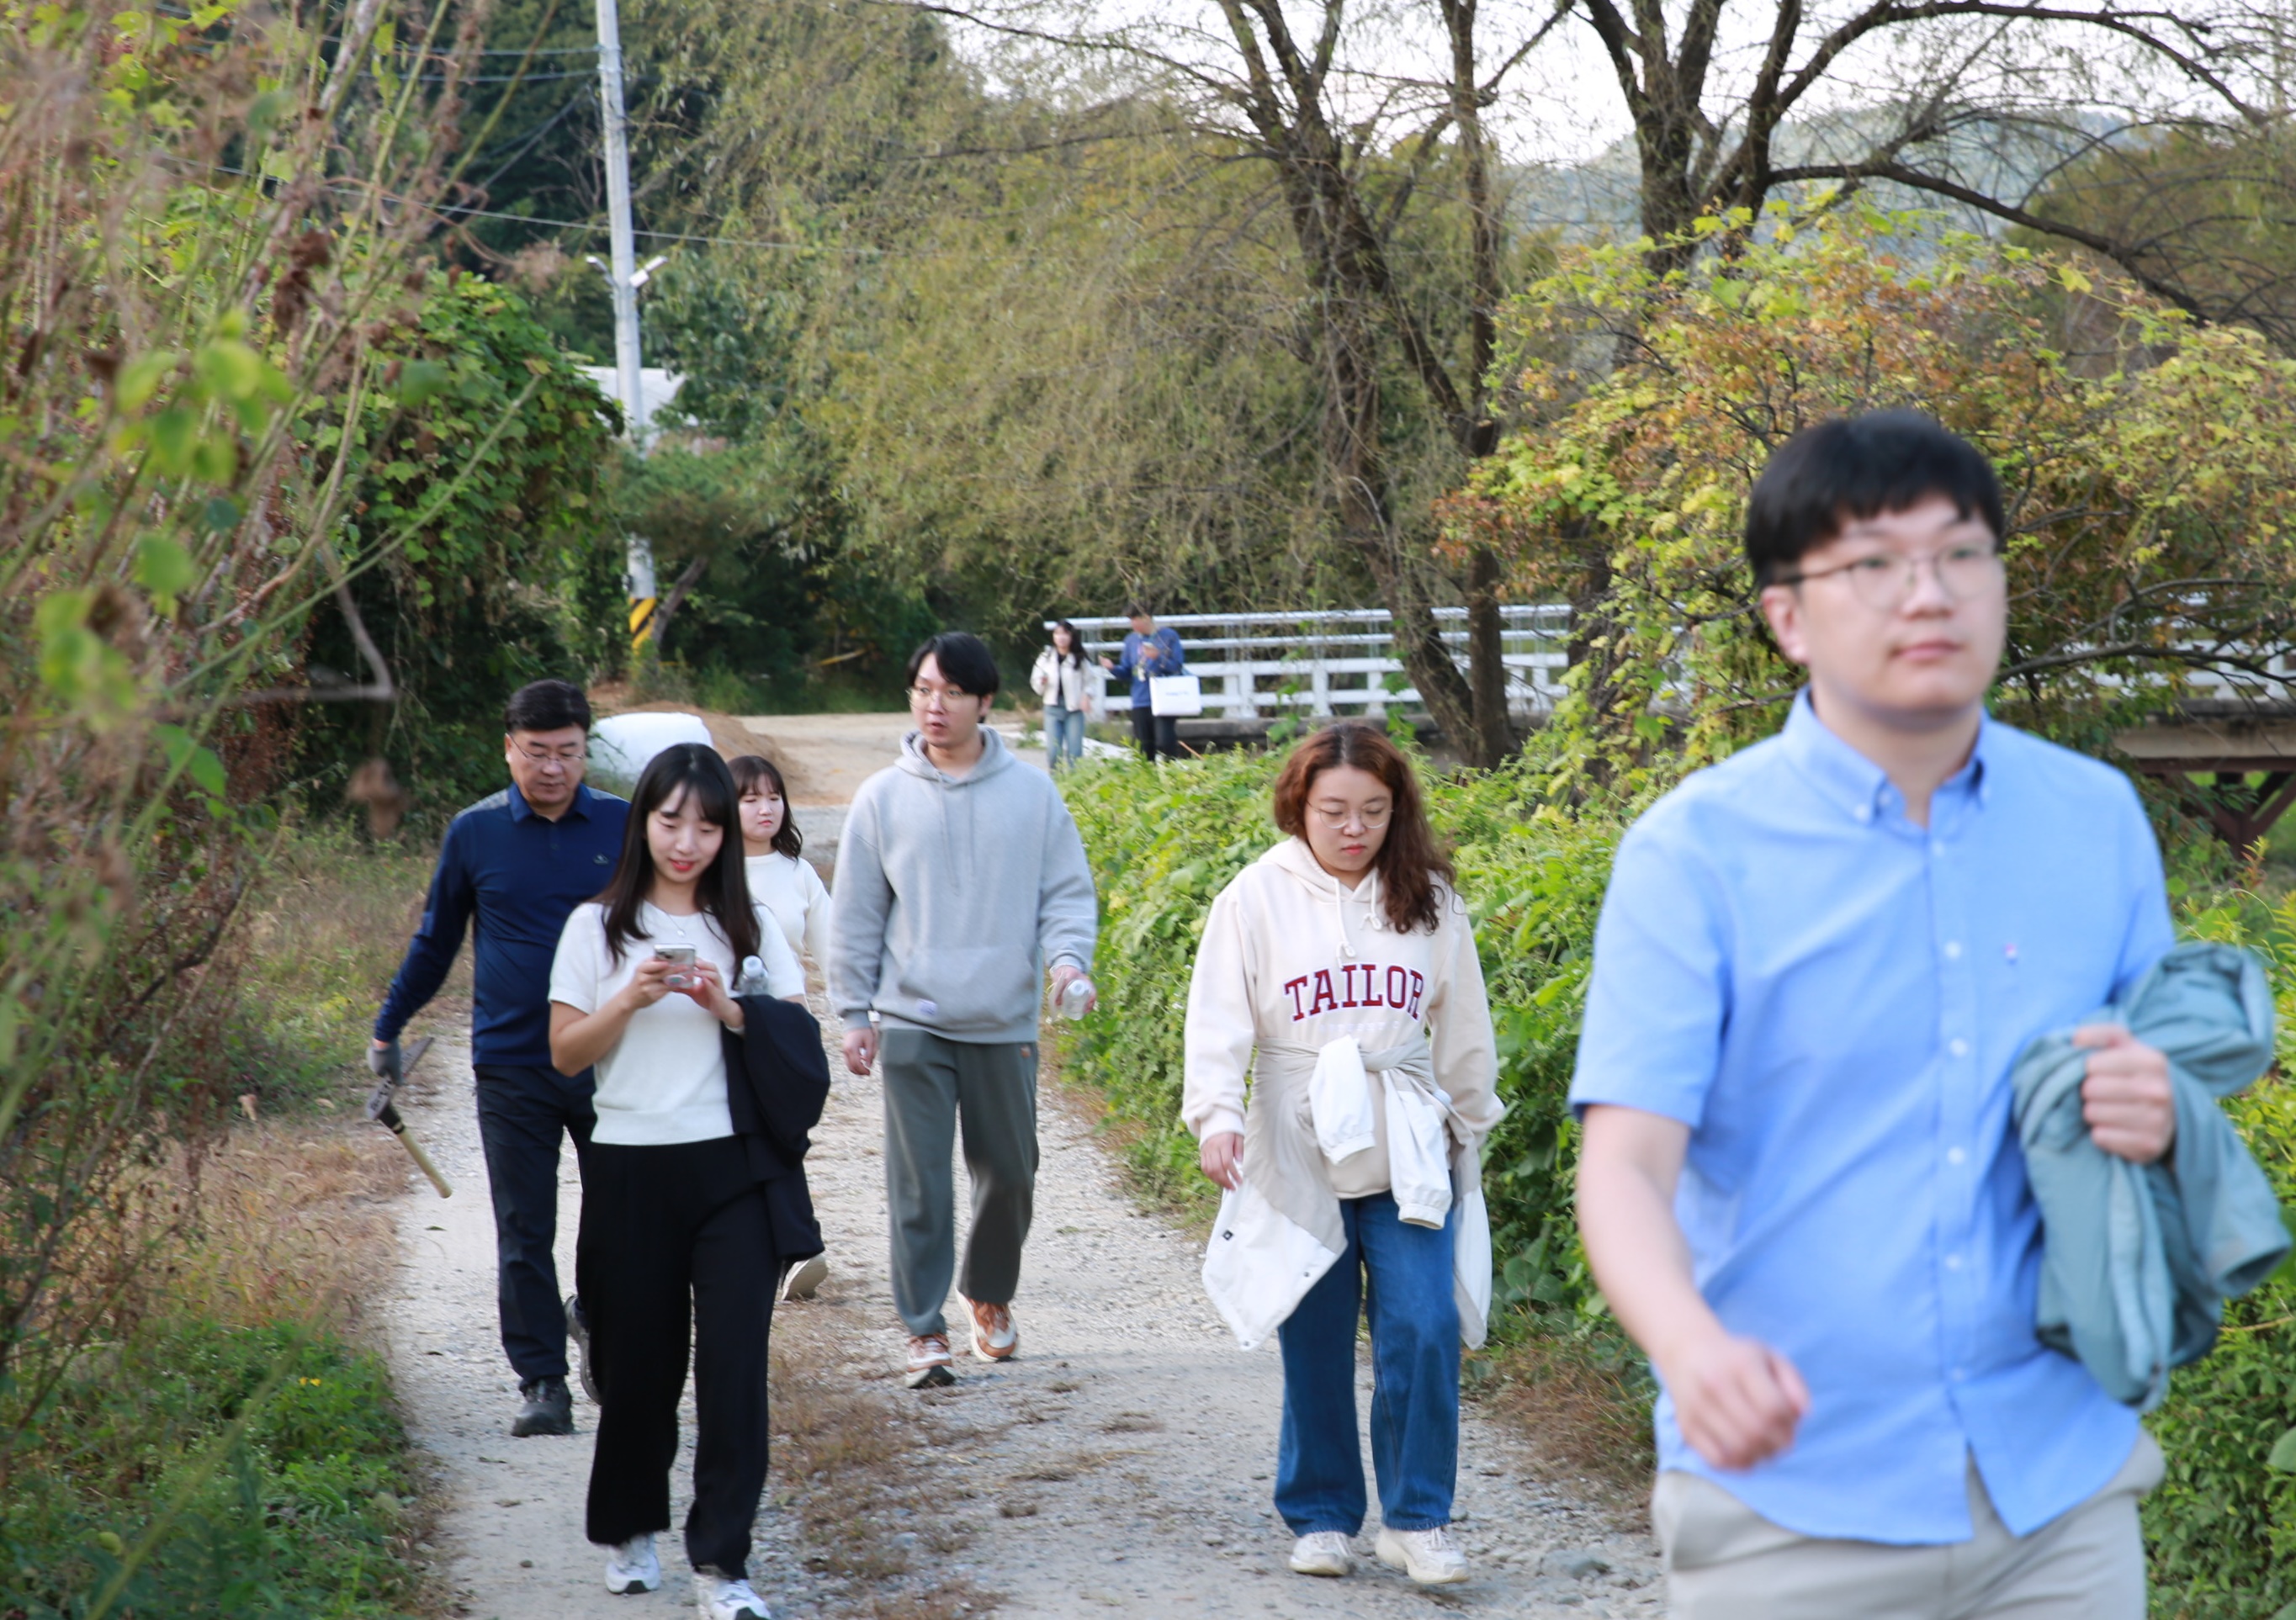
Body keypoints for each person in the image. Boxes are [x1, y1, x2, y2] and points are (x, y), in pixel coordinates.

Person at [1572, 411, 2179, 1619]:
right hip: (1788, 1505)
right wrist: (1690, 1350)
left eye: (1962, 553)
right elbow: (1625, 1168)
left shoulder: (2096, 818)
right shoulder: (1693, 854)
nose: (1929, 594)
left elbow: (2156, 1082)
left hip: (2057, 1484)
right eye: (1873, 564)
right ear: (1786, 615)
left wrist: (2161, 1105)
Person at [1182, 720, 1503, 1587]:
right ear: (1300, 806)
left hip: (1403, 1139)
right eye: (1334, 810)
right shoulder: (1254, 897)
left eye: (1371, 810)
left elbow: (1463, 1025)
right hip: (1296, 1141)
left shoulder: (1428, 896)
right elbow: (1217, 1021)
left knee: (1423, 1327)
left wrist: (1466, 1124)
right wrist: (1215, 1117)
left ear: (1395, 811)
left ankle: (1417, 1518)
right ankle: (1322, 1515)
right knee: (1314, 1335)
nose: (1353, 828)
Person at [547, 744, 804, 1617]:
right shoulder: (596, 927)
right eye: (670, 821)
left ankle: (723, 1567)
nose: (686, 840)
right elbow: (564, 1052)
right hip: (628, 1167)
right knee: (638, 1365)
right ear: (642, 823)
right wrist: (629, 997)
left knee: (733, 1370)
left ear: (726, 832)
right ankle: (630, 1527)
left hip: (732, 1170)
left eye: (706, 824)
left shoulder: (750, 926)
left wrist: (725, 1006)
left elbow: (794, 1044)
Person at [830, 631, 1100, 1389]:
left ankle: (987, 1292)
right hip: (911, 1018)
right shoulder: (882, 797)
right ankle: (923, 1329)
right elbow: (854, 912)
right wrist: (854, 1012)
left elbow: (1066, 894)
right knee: (920, 1182)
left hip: (1003, 1017)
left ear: (985, 701)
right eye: (921, 689)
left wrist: (1067, 962)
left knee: (1009, 1174)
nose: (933, 705)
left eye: (950, 691)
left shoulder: (1031, 794)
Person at [369, 678, 628, 1438]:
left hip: (608, 1058)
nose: (553, 769)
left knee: (622, 1222)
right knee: (524, 1228)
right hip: (512, 1065)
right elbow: (436, 942)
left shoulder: (623, 825)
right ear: (508, 749)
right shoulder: (474, 833)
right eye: (537, 753)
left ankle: (597, 1320)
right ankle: (543, 1382)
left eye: (569, 754)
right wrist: (388, 1029)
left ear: (587, 752)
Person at [729, 752, 834, 1302]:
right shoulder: (709, 870)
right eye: (749, 799)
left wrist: (859, 1019)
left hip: (783, 1025)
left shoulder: (798, 873)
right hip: (722, 1027)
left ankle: (793, 1247)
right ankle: (792, 1245)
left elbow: (834, 951)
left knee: (783, 1135)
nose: (764, 809)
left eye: (772, 797)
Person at [1098, 601, 1185, 762]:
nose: (1132, 624)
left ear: (1146, 618)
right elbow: (1127, 672)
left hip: (1164, 699)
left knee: (1165, 742)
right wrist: (1112, 668)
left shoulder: (1168, 636)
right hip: (1140, 699)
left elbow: (1177, 667)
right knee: (1144, 747)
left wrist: (1157, 657)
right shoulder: (1131, 641)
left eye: (1134, 619)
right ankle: (1148, 781)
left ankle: (1171, 777)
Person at [1031, 619, 1093, 770]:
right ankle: (1057, 786)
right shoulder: (1046, 657)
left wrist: (1086, 696)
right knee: (1053, 752)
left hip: (1074, 709)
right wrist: (1042, 682)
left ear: (1072, 636)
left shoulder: (1079, 658)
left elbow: (1090, 681)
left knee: (1075, 753)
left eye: (1065, 634)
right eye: (1057, 634)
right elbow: (1035, 681)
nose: (1061, 637)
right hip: (1052, 707)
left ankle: (1076, 787)